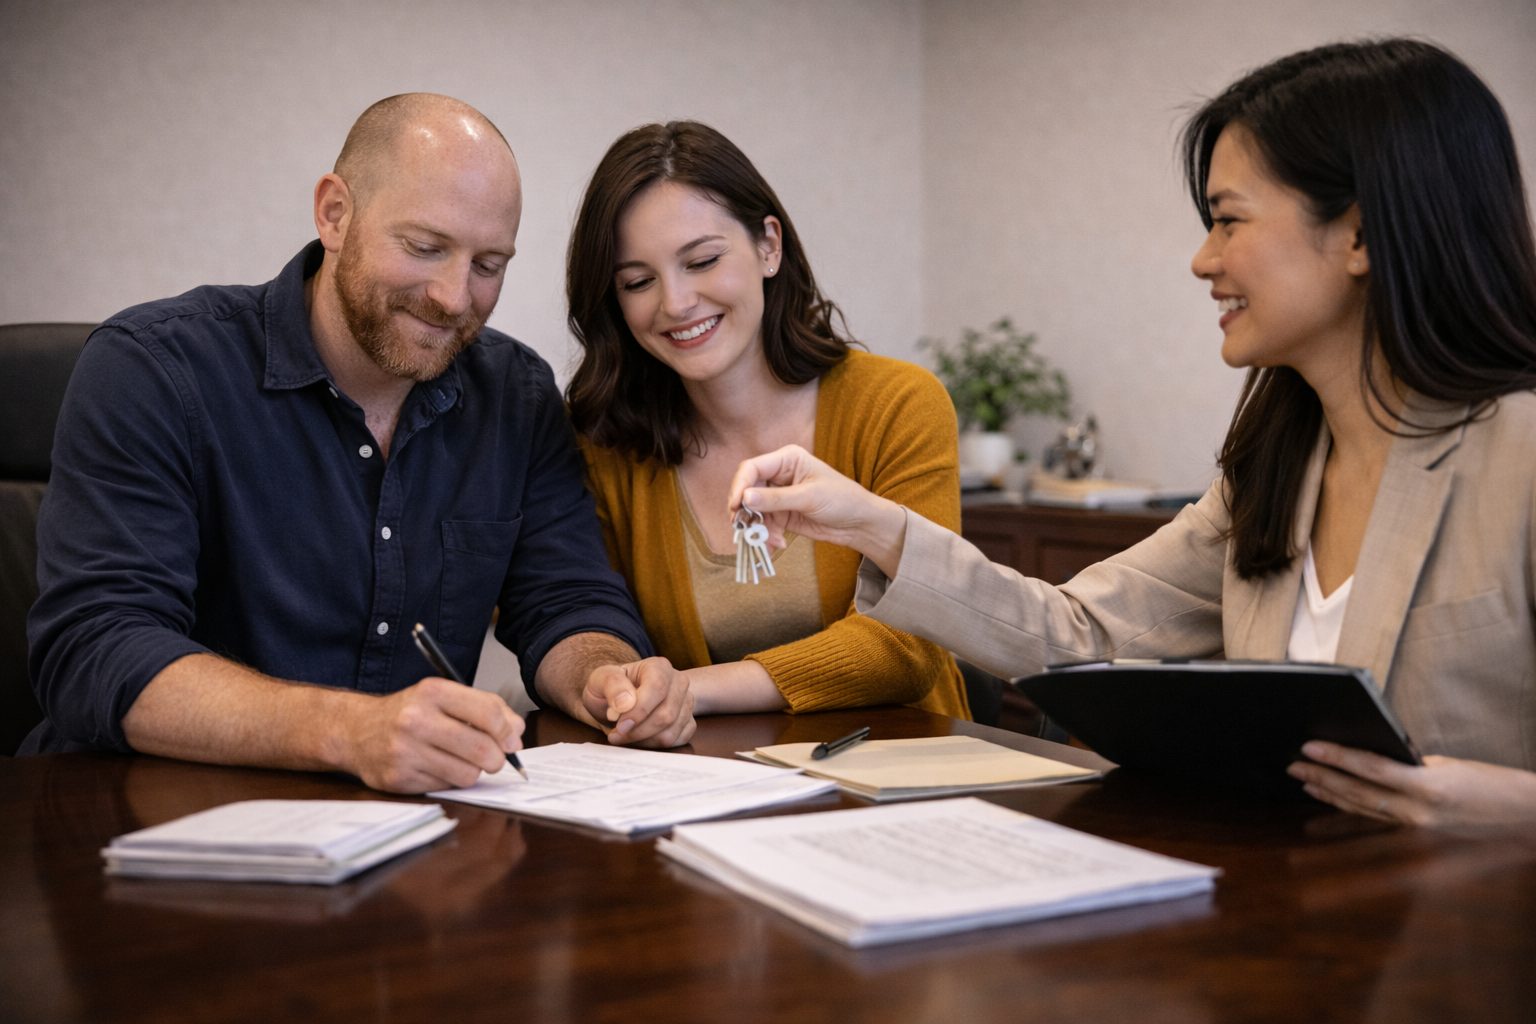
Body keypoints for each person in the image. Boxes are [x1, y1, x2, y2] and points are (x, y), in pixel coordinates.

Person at [728, 39, 1536, 827]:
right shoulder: (1270, 473)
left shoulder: (1519, 457)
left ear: (1358, 234)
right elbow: (1074, 631)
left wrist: (1499, 807)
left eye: (1227, 221)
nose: (1201, 260)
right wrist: (870, 522)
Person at [25, 94, 696, 792]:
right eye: (425, 247)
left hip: (400, 833)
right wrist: (350, 731)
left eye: (489, 265)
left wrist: (609, 677)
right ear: (335, 213)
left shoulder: (516, 396)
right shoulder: (154, 370)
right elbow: (95, 646)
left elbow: (566, 599)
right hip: (140, 817)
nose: (452, 296)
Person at [565, 121, 969, 718]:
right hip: (713, 789)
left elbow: (913, 639)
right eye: (639, 281)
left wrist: (690, 690)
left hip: (899, 775)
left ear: (768, 246)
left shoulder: (897, 404)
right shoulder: (608, 445)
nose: (675, 303)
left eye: (702, 261)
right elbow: (582, 613)